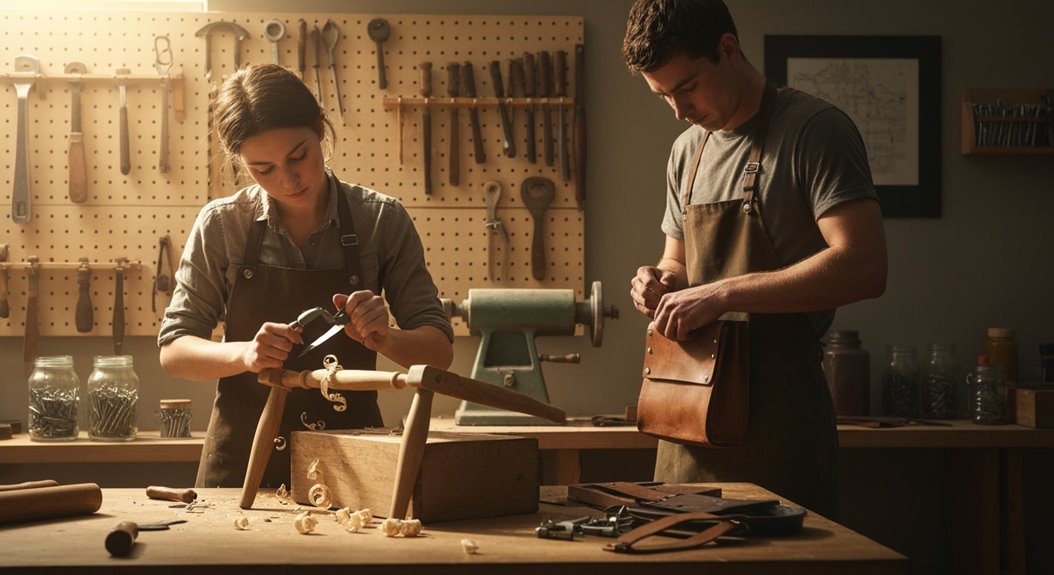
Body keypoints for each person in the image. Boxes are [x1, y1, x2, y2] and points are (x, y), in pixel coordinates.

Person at [623, 0, 887, 516]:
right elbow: (677, 265)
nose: (680, 110)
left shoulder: (815, 130)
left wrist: (723, 294)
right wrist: (658, 283)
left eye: (687, 87)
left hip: (777, 426)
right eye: (663, 97)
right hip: (686, 417)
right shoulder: (687, 151)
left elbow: (864, 265)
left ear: (728, 49)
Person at [158, 64, 454, 489]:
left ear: (320, 128)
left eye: (299, 156)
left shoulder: (380, 220)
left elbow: (439, 354)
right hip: (241, 469)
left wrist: (383, 336)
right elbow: (174, 351)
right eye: (264, 169)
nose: (288, 179)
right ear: (240, 162)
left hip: (355, 465)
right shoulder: (223, 225)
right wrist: (245, 355)